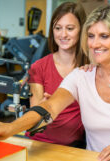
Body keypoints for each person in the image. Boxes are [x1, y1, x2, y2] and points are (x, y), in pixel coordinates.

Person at [0, 4, 110, 161]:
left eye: (104, 36)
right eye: (91, 36)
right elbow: (49, 107)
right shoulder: (80, 76)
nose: (95, 44)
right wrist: (11, 128)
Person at [26, 2, 88, 147]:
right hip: (40, 143)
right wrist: (42, 108)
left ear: (82, 30)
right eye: (58, 28)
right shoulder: (39, 67)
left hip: (74, 147)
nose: (63, 34)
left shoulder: (89, 68)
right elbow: (35, 120)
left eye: (70, 28)